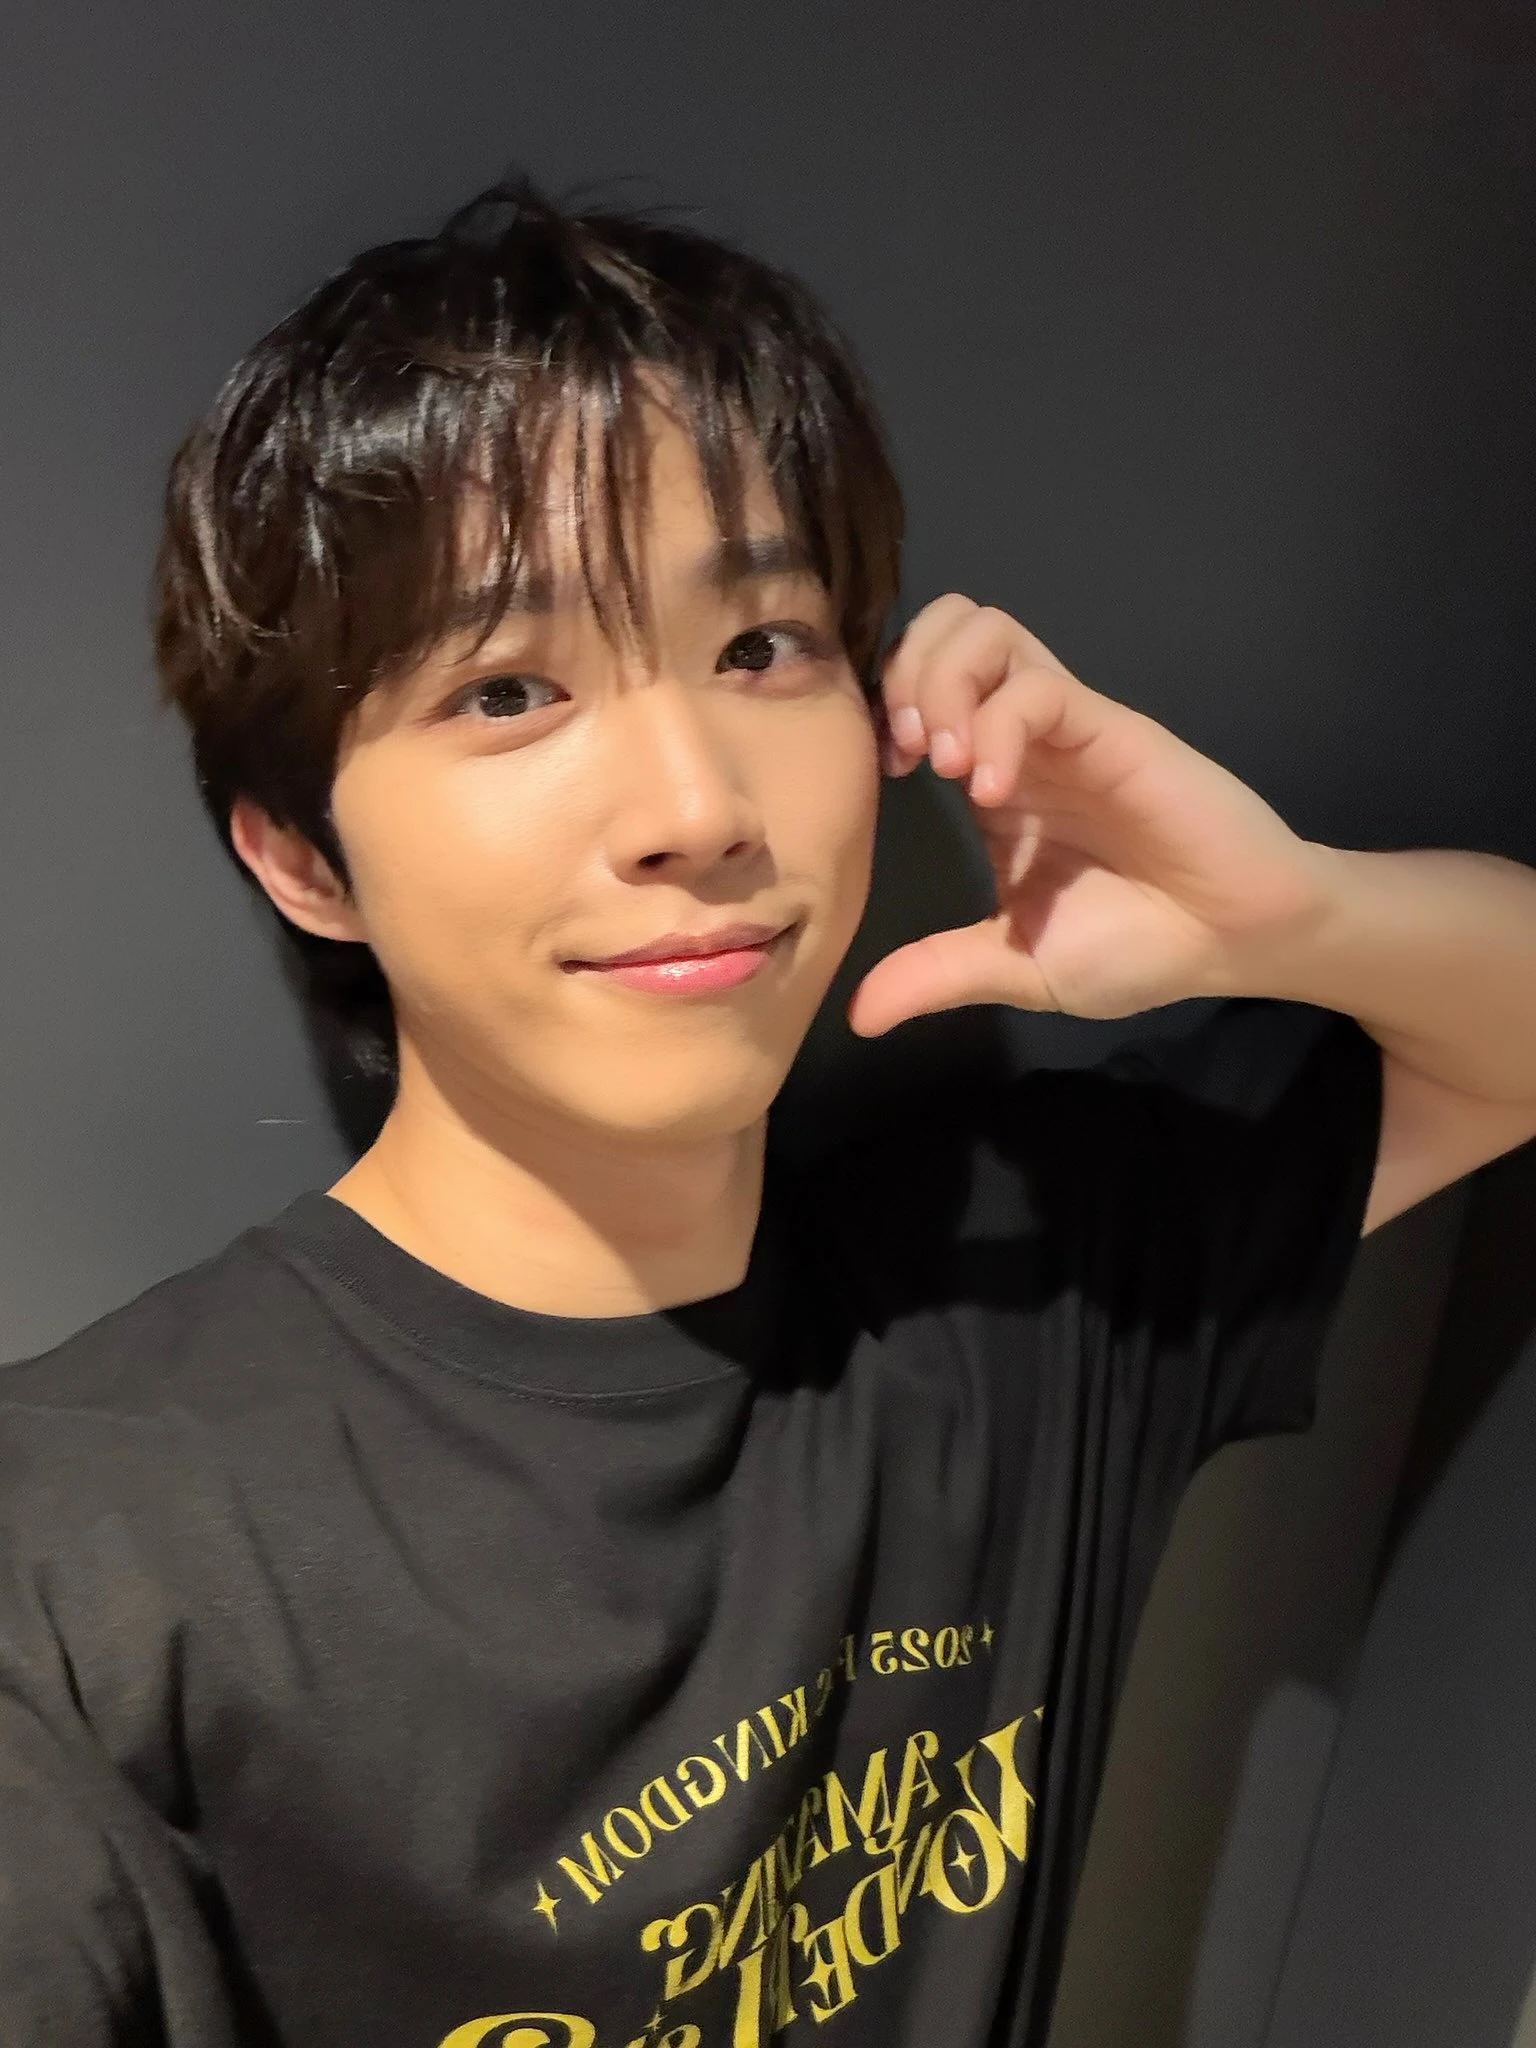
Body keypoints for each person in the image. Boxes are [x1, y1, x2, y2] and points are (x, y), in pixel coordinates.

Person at [2, 173, 1535, 2048]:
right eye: (508, 688)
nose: (697, 806)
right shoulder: (82, 1561)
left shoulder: (1015, 1292)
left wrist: (1291, 913)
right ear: (303, 857)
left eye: (760, 649)